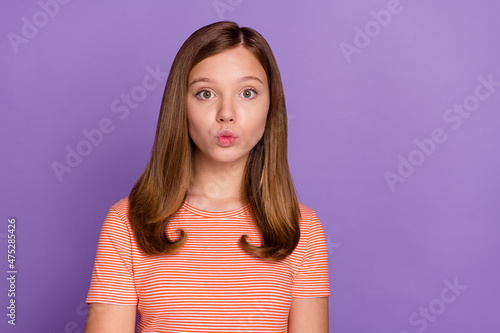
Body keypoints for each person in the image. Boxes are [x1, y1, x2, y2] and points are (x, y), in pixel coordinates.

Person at [84, 21, 330, 333]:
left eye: (247, 92)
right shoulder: (127, 223)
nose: (226, 113)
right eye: (205, 93)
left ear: (270, 106)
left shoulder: (302, 229)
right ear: (181, 106)